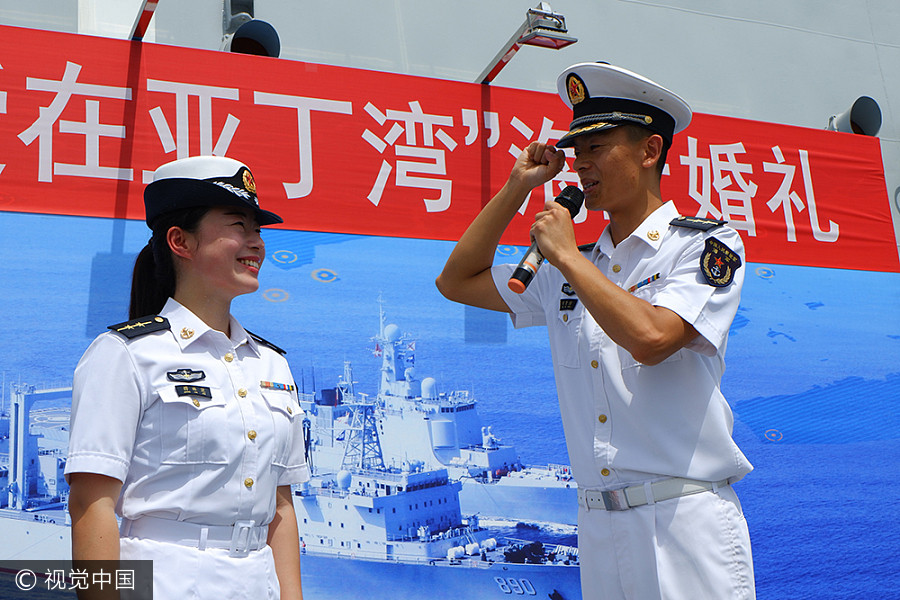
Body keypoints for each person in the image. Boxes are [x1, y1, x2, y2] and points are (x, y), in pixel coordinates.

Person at [436, 62, 755, 599]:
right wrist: (517, 186)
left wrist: (565, 256)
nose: (581, 167)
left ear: (650, 151)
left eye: (597, 149)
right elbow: (457, 281)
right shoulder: (573, 265)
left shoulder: (702, 245)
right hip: (599, 527)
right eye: (577, 152)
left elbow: (653, 339)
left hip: (683, 521)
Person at [65, 156, 309, 599]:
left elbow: (281, 506)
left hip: (258, 584)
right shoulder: (126, 355)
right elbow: (89, 504)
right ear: (180, 241)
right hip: (164, 581)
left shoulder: (272, 364)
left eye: (258, 230)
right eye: (239, 225)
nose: (256, 244)